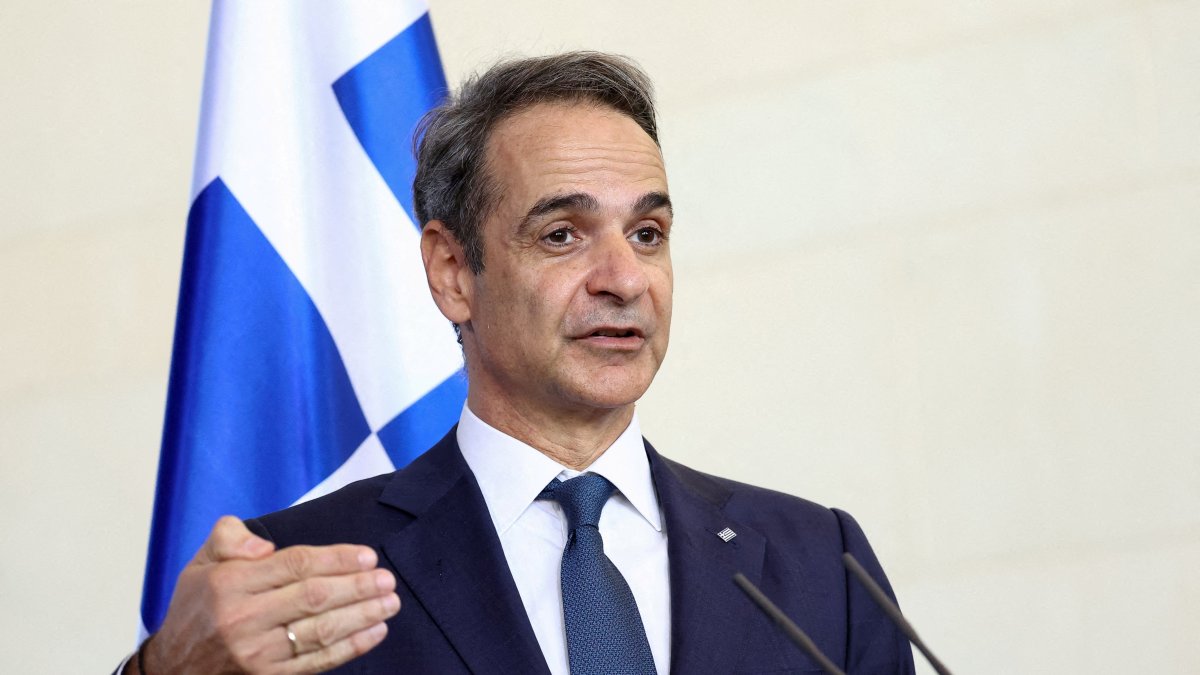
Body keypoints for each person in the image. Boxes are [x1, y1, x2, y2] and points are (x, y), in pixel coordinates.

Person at [125, 52, 916, 674]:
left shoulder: (820, 563)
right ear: (453, 272)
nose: (625, 278)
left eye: (647, 233)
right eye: (562, 234)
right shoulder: (304, 576)